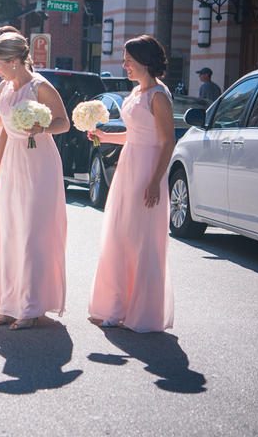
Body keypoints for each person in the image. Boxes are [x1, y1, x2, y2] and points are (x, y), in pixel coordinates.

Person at [87, 35, 175, 333]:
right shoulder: (137, 92)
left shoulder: (158, 96)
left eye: (128, 60)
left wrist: (155, 181)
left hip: (147, 170)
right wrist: (104, 136)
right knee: (120, 235)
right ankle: (117, 306)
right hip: (127, 166)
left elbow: (167, 141)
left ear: (144, 62)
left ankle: (143, 311)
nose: (124, 65)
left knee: (141, 240)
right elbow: (134, 134)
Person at [0, 33, 69, 330]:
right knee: (11, 233)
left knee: (32, 233)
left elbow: (64, 122)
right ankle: (9, 303)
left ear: (15, 61)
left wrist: (41, 128)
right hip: (12, 164)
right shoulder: (5, 88)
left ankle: (31, 306)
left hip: (39, 164)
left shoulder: (40, 87)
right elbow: (7, 127)